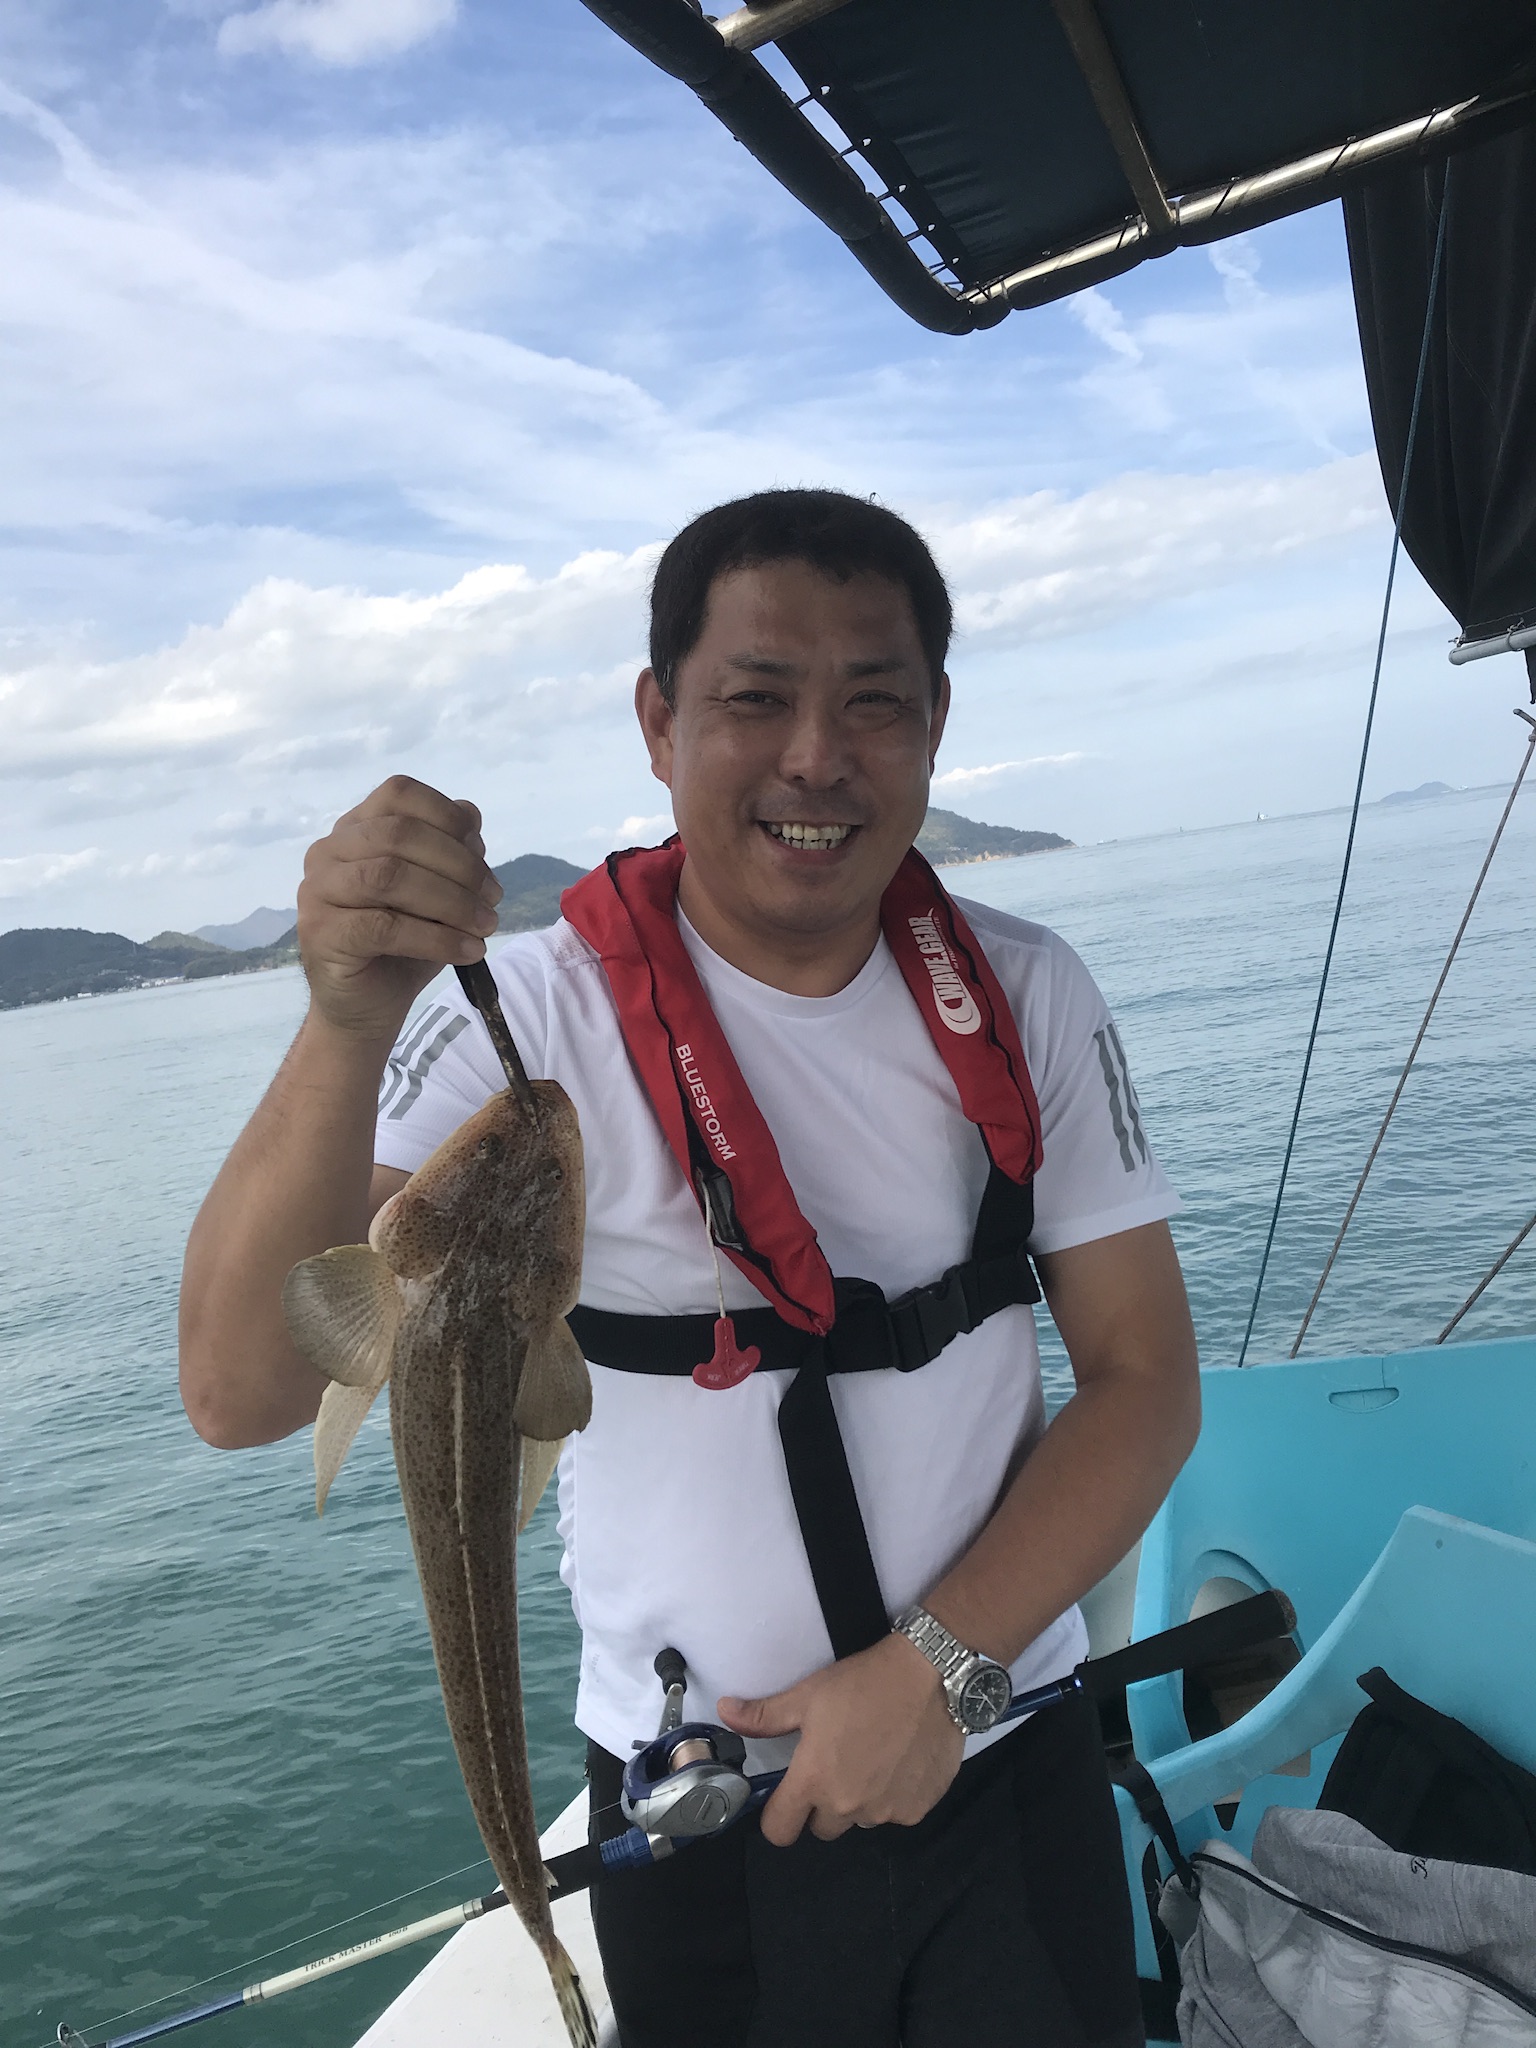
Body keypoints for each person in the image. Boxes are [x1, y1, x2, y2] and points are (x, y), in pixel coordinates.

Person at [180, 488, 1199, 2048]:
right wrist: (344, 1017)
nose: (816, 755)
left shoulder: (1027, 992)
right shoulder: (529, 1016)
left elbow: (1146, 1380)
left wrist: (938, 1669)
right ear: (659, 723)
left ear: (935, 724)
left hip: (995, 1742)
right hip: (697, 1809)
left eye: (874, 701)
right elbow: (241, 1390)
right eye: (756, 698)